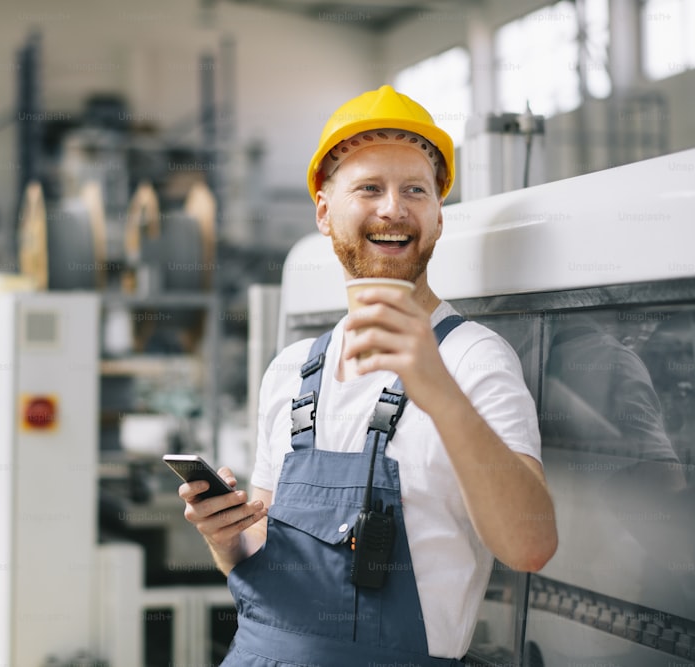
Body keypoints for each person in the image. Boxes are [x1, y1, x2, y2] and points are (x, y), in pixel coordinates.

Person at [177, 85, 558, 666]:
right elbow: (261, 554)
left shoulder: (474, 359)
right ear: (325, 213)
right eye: (369, 188)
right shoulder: (291, 372)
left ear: (436, 216)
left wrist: (437, 390)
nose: (393, 209)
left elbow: (530, 546)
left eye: (415, 190)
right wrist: (224, 535)